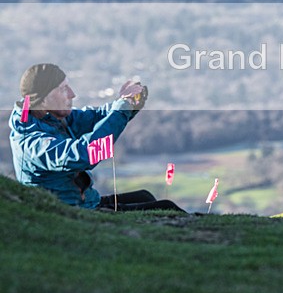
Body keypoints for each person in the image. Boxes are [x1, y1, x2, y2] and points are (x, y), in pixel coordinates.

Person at [8, 63, 185, 212]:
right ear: (43, 99)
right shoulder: (32, 142)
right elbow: (87, 154)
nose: (71, 94)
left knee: (145, 196)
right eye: (63, 90)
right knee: (166, 206)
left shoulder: (49, 117)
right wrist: (122, 109)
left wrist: (125, 103)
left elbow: (95, 117)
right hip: (72, 211)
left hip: (87, 201)